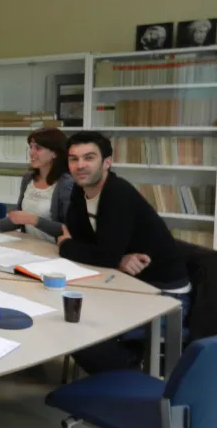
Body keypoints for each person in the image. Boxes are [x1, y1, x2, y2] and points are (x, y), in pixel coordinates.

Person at [58, 131, 190, 374]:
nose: (80, 166)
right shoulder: (80, 190)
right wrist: (112, 258)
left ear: (107, 162)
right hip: (124, 283)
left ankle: (133, 368)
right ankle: (124, 366)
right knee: (65, 320)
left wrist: (67, 246)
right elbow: (86, 242)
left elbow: (91, 251)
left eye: (89, 158)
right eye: (73, 159)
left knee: (84, 335)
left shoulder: (118, 193)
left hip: (164, 296)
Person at [0, 128, 74, 241]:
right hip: (29, 246)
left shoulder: (67, 184)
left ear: (55, 153)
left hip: (54, 250)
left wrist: (34, 220)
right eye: (31, 147)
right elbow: (18, 220)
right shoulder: (28, 178)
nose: (31, 152)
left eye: (38, 148)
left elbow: (70, 229)